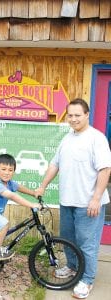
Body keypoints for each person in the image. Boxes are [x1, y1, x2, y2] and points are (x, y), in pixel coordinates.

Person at [36, 98, 111, 299]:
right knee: (69, 239)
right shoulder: (67, 138)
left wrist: (96, 198)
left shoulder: (97, 138)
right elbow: (55, 164)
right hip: (67, 200)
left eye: (78, 115)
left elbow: (105, 169)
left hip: (88, 203)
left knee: (87, 242)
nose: (74, 119)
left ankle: (87, 279)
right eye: (70, 115)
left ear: (87, 115)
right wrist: (42, 186)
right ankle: (71, 266)